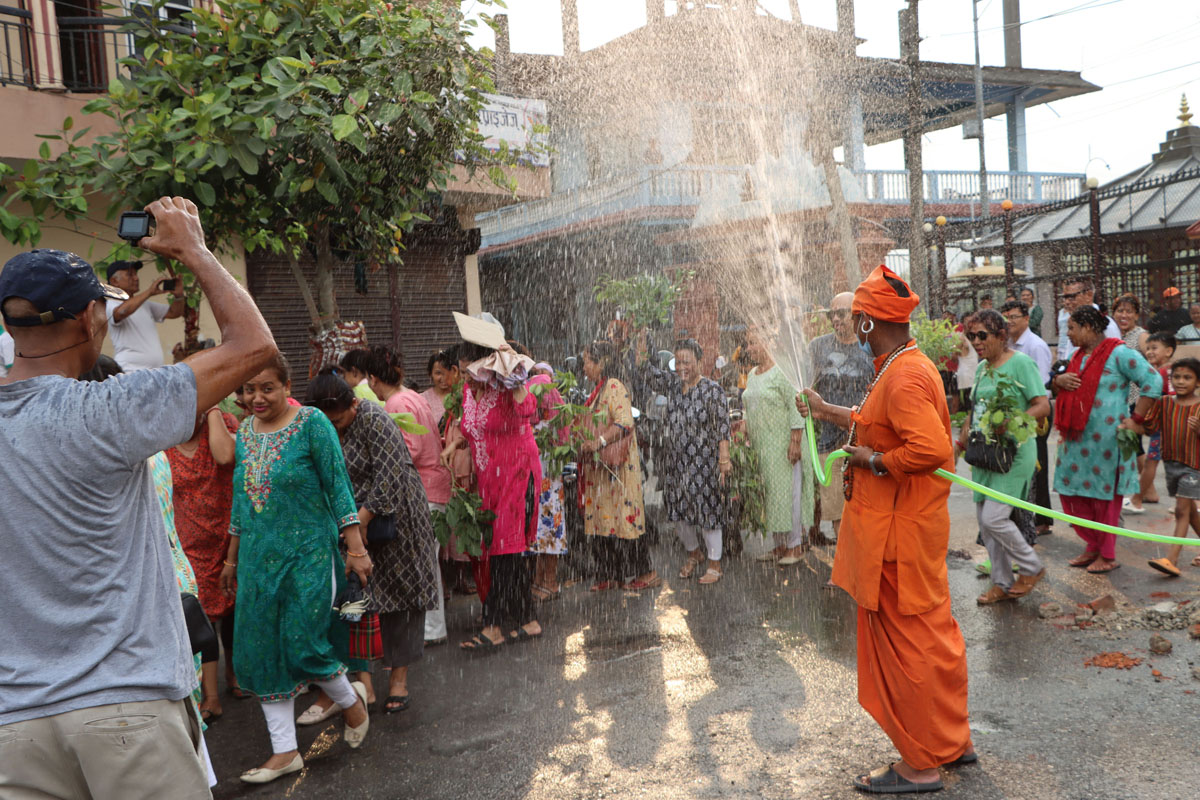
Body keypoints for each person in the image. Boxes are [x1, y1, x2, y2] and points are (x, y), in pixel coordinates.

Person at [0, 197, 276, 800]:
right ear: (90, 319)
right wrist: (194, 250)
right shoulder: (107, 409)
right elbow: (255, 348)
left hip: (13, 727)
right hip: (126, 710)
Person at [798, 265, 972, 793]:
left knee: (907, 647)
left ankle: (920, 764)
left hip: (896, 539)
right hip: (909, 532)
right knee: (934, 636)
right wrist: (829, 411)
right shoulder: (904, 365)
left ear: (870, 322)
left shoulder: (901, 374)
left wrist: (874, 461)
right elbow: (883, 419)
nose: (852, 328)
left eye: (856, 320)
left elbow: (931, 449)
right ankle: (948, 741)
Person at [219, 354, 373, 783]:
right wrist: (231, 559)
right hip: (256, 559)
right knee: (262, 649)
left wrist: (356, 548)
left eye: (266, 388)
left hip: (309, 554)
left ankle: (352, 704)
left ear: (287, 385)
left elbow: (338, 487)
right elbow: (241, 500)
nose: (257, 397)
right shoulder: (245, 433)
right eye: (249, 390)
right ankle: (285, 751)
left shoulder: (312, 424)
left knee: (303, 642)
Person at [305, 371, 440, 713]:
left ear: (353, 403)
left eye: (339, 420)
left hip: (399, 521)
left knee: (402, 601)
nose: (336, 428)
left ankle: (398, 680)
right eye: (329, 423)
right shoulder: (324, 427)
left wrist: (361, 521)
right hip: (355, 525)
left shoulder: (374, 419)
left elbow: (390, 474)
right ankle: (363, 682)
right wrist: (351, 527)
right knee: (356, 599)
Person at [443, 341, 544, 650]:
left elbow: (530, 412)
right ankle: (527, 619)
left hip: (517, 472)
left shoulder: (503, 385)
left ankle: (494, 624)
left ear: (486, 366)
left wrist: (516, 380)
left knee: (504, 547)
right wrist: (456, 443)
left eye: (470, 371)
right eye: (462, 372)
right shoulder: (466, 392)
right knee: (502, 550)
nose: (466, 378)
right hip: (490, 480)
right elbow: (470, 428)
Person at [1051, 306, 1162, 574]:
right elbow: (1062, 387)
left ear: (1089, 328)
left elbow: (1153, 381)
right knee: (1070, 493)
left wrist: (1136, 419)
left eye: (1072, 328)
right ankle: (1092, 545)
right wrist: (1059, 381)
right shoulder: (1077, 356)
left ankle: (1108, 554)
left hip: (1108, 442)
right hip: (1075, 441)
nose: (1068, 333)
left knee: (1104, 498)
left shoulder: (1119, 352)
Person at [955, 310, 1050, 604]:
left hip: (1015, 453)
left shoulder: (1021, 363)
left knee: (996, 518)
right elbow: (975, 411)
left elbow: (1042, 406)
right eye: (972, 336)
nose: (976, 342)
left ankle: (1032, 567)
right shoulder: (982, 369)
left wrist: (1012, 423)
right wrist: (957, 445)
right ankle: (1002, 582)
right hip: (986, 455)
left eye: (983, 335)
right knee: (986, 522)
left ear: (1001, 335)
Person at [167, 404, 242, 720]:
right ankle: (211, 695)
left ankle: (234, 676)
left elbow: (227, 457)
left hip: (228, 537)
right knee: (204, 616)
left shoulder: (222, 424)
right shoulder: (165, 438)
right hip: (190, 544)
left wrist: (210, 408)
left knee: (233, 610)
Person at [640, 338, 732, 585]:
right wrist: (641, 346)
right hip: (676, 463)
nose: (682, 367)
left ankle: (715, 564)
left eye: (687, 362)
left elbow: (723, 428)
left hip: (704, 463)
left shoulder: (712, 390)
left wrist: (724, 460)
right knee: (678, 511)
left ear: (699, 362)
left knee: (708, 511)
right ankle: (694, 553)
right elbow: (649, 375)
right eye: (678, 362)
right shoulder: (672, 386)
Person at [576, 340, 658, 591]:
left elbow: (624, 423)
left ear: (602, 363)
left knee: (626, 519)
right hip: (602, 470)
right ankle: (611, 574)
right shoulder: (598, 389)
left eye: (588, 361)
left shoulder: (613, 386)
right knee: (603, 520)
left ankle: (646, 572)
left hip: (618, 468)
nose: (584, 366)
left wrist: (598, 442)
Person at [808, 292, 874, 547]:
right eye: (831, 314)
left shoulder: (870, 345)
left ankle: (863, 562)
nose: (836, 319)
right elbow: (808, 385)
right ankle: (845, 566)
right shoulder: (818, 346)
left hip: (864, 440)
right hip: (829, 440)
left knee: (865, 506)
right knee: (836, 507)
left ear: (857, 313)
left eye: (842, 313)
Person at [1127, 358, 1200, 576]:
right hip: (1172, 465)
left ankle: (1171, 559)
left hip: (1194, 466)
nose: (1180, 381)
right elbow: (1148, 429)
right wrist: (1129, 425)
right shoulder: (1164, 403)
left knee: (1181, 510)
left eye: (1187, 377)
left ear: (1198, 382)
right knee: (1191, 512)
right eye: (1176, 377)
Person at [741, 325, 807, 564]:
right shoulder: (752, 374)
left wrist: (795, 442)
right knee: (770, 496)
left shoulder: (783, 371)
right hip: (762, 446)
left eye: (753, 343)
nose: (749, 348)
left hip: (783, 444)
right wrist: (744, 429)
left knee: (788, 494)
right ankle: (779, 545)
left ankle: (795, 546)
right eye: (748, 344)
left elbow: (796, 407)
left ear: (768, 344)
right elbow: (749, 407)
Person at [1002, 299, 1054, 536]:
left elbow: (1042, 386)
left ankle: (1043, 518)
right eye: (1006, 317)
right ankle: (1024, 515)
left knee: (1038, 465)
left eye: (1014, 317)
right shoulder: (1008, 345)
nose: (1009, 322)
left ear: (1026, 318)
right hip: (1016, 413)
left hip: (1035, 413)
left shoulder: (1035, 345)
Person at [527, 361, 569, 600]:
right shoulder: (536, 417)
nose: (539, 380)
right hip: (539, 478)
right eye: (535, 375)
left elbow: (562, 436)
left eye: (544, 376)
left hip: (547, 480)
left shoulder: (549, 416)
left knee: (548, 527)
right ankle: (540, 580)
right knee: (540, 528)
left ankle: (549, 581)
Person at [105, 259, 187, 371]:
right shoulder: (110, 304)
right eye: (130, 274)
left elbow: (175, 312)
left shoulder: (144, 304)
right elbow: (120, 312)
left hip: (153, 373)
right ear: (114, 281)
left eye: (136, 274)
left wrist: (179, 296)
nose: (136, 278)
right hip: (129, 371)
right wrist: (149, 292)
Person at [1127, 332, 1176, 512]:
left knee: (1153, 463)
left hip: (1167, 427)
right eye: (1147, 348)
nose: (1149, 352)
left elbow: (1173, 399)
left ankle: (1137, 499)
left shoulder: (1167, 372)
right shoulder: (1158, 371)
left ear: (1169, 351)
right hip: (1162, 426)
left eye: (1154, 348)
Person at [423, 348, 460, 427]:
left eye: (447, 372)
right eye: (438, 373)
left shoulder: (461, 396)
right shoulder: (422, 399)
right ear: (430, 374)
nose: (444, 378)